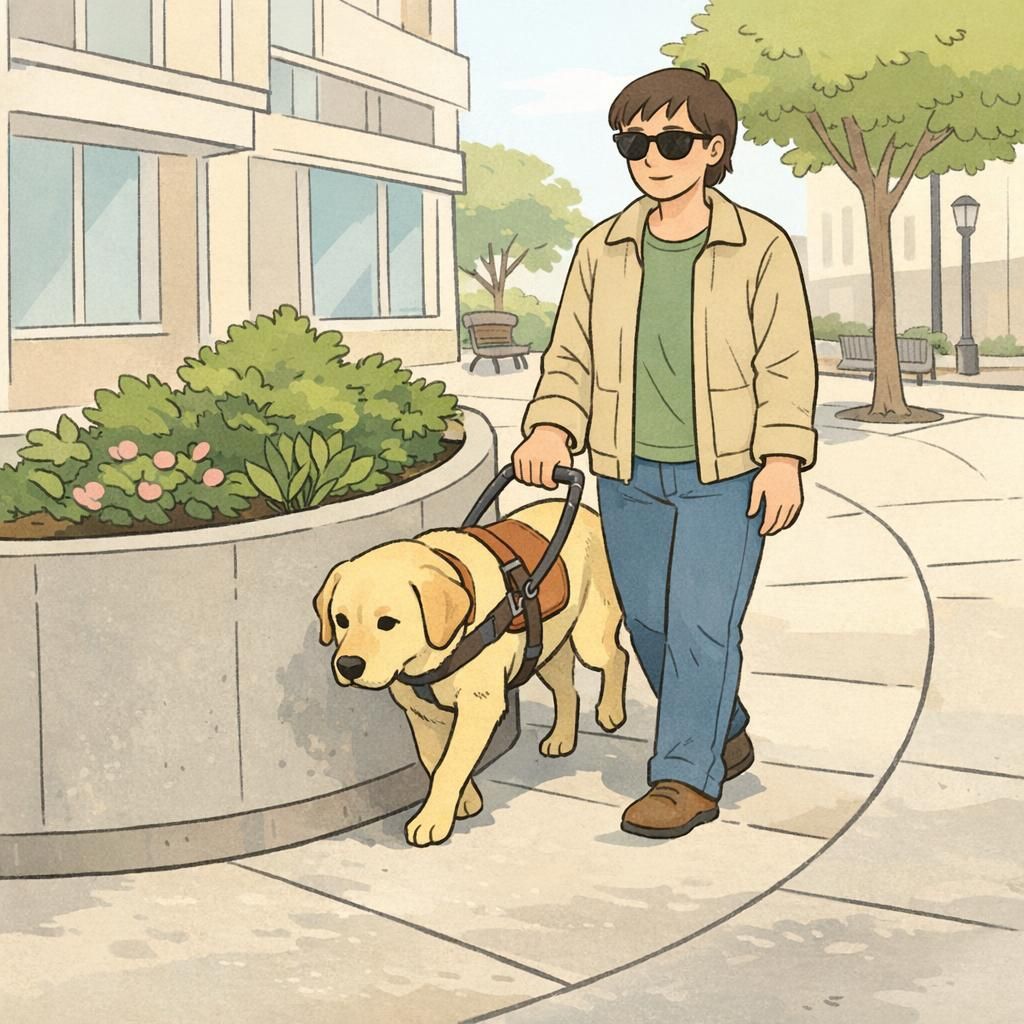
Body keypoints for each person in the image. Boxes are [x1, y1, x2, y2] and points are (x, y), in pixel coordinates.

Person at [512, 65, 819, 840]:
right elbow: (570, 354)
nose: (652, 156)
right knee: (646, 620)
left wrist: (783, 456)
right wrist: (551, 425)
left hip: (728, 475)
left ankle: (684, 777)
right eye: (633, 142)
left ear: (713, 149)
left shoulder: (760, 248)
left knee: (701, 626)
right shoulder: (602, 249)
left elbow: (786, 360)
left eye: (672, 140)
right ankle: (722, 723)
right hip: (626, 471)